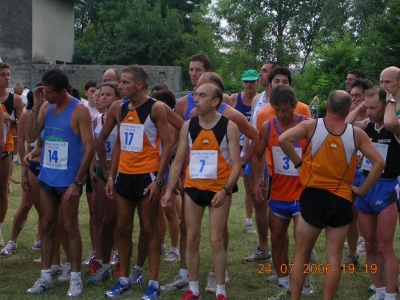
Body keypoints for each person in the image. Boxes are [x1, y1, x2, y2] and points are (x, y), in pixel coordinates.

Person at [278, 90, 385, 300]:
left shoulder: (311, 125)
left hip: (314, 196)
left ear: (327, 105)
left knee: (301, 254)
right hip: (341, 198)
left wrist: (299, 164)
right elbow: (380, 162)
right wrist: (362, 190)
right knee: (334, 257)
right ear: (348, 111)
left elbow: (283, 139)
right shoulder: (356, 133)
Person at [161, 82, 241, 300]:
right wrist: (168, 191)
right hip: (194, 188)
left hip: (218, 190)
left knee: (216, 239)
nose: (195, 98)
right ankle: (193, 289)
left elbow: (237, 165)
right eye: (195, 95)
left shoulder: (229, 126)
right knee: (192, 238)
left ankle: (221, 291)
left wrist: (225, 190)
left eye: (202, 96)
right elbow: (178, 161)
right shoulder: (189, 125)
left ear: (215, 102)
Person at [25, 69, 95, 297]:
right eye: (43, 91)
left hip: (68, 180)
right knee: (46, 225)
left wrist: (78, 181)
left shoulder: (80, 110)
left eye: (49, 92)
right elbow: (30, 136)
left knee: (69, 226)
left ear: (62, 91)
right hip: (47, 177)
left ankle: (75, 276)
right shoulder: (45, 107)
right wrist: (36, 106)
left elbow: (89, 148)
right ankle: (46, 276)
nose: (46, 96)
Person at [104, 65, 171, 300]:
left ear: (139, 85)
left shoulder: (156, 108)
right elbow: (121, 143)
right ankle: (124, 280)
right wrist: (111, 176)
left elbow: (168, 145)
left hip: (147, 175)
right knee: (122, 228)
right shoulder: (120, 109)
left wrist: (159, 180)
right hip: (124, 174)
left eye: (125, 82)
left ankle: (153, 282)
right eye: (120, 82)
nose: (120, 86)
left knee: (149, 227)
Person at [252, 85, 309, 299]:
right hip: (278, 194)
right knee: (276, 239)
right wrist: (258, 181)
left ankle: (304, 277)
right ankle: (283, 283)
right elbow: (257, 155)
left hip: (304, 194)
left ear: (295, 106)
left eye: (285, 109)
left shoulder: (307, 126)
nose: (282, 114)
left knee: (301, 240)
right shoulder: (268, 127)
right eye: (277, 110)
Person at [346, 86, 400, 300]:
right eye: (366, 107)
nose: (368, 112)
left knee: (384, 244)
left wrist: (391, 102)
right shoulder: (366, 126)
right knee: (369, 242)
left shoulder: (394, 127)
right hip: (365, 184)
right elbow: (345, 125)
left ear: (385, 106)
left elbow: (389, 122)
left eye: (372, 108)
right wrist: (359, 107)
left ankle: (390, 294)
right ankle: (378, 289)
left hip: (386, 186)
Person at [240, 61, 280, 265]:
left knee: (275, 205)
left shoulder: (283, 99)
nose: (260, 73)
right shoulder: (257, 98)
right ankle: (263, 247)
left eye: (264, 71)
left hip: (276, 159)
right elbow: (251, 128)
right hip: (255, 156)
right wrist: (245, 153)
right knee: (258, 201)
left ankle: (278, 247)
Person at [85, 82, 121, 281]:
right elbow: (92, 145)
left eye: (108, 94)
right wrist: (91, 168)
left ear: (117, 98)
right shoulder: (95, 119)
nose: (103, 97)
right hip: (99, 169)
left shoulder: (122, 117)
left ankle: (116, 256)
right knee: (98, 216)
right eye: (101, 94)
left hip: (116, 170)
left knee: (115, 218)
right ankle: (99, 257)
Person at [1, 91, 41, 256]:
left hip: (51, 165)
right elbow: (24, 142)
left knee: (47, 209)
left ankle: (40, 240)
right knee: (26, 204)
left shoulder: (55, 114)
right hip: (33, 163)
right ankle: (12, 241)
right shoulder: (28, 115)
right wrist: (24, 168)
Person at [343, 77, 374, 266]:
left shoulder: (375, 118)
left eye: (358, 95)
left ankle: (369, 248)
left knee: (370, 215)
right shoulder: (352, 115)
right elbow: (344, 126)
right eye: (352, 95)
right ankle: (353, 253)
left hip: (371, 172)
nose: (354, 98)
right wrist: (357, 109)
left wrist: (366, 108)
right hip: (353, 170)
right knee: (351, 213)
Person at [230, 69, 259, 234]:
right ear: (242, 82)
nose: (249, 84)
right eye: (246, 81)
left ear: (258, 83)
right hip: (235, 147)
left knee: (250, 186)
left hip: (252, 146)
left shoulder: (260, 100)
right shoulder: (235, 99)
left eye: (252, 81)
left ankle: (249, 221)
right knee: (229, 184)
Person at [0, 62, 25, 246]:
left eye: (8, 74)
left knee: (2, 191)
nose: (7, 77)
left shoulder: (14, 99)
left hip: (5, 149)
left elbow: (23, 124)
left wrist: (12, 119)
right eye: (3, 75)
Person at [81, 79, 99, 267]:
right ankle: (96, 251)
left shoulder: (111, 114)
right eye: (93, 91)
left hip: (109, 168)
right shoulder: (84, 111)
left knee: (111, 216)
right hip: (91, 166)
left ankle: (113, 252)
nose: (97, 96)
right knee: (94, 213)